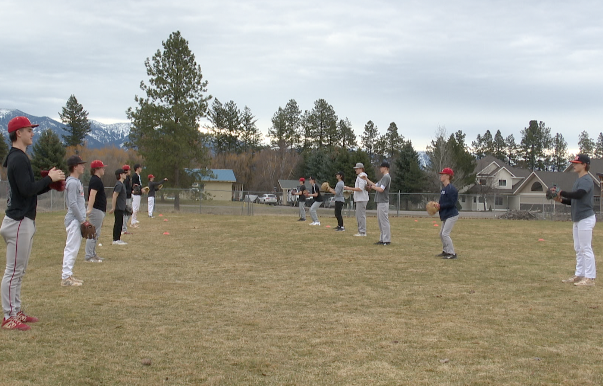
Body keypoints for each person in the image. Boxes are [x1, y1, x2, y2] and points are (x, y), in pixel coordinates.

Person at [1, 116, 65, 330]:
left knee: (19, 270)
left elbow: (28, 189)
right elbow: (27, 190)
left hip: (21, 219)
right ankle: (9, 315)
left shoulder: (18, 157)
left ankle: (15, 311)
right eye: (29, 130)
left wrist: (49, 182)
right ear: (18, 133)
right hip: (18, 220)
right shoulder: (18, 158)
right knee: (13, 271)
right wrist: (49, 179)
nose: (32, 133)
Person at [556, 154, 597, 286]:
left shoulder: (586, 180)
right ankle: (579, 275)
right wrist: (561, 199)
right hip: (578, 219)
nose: (574, 165)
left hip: (585, 218)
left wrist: (562, 192)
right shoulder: (579, 180)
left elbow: (579, 195)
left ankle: (590, 278)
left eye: (576, 163)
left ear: (584, 165)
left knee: (586, 248)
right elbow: (573, 200)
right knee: (578, 248)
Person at [61, 155, 88, 286]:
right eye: (81, 164)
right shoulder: (72, 182)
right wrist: (82, 220)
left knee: (74, 248)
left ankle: (69, 275)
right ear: (75, 166)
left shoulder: (76, 182)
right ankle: (66, 277)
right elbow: (72, 203)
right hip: (74, 220)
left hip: (77, 220)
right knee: (71, 248)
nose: (83, 166)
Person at [435, 168, 459, 259]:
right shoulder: (444, 189)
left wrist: (441, 206)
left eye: (443, 174)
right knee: (441, 234)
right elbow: (442, 202)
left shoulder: (451, 189)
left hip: (452, 214)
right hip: (446, 214)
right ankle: (446, 251)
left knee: (445, 234)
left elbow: (452, 203)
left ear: (448, 176)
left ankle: (452, 253)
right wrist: (437, 206)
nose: (441, 176)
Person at [85, 160, 107, 263]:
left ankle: (93, 254)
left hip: (100, 210)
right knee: (93, 233)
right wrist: (89, 209)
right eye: (102, 168)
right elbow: (92, 195)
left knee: (96, 233)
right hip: (96, 209)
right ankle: (89, 256)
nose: (104, 169)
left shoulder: (97, 180)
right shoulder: (95, 180)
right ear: (96, 169)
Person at [367, 161, 391, 245]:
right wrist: (366, 179)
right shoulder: (383, 178)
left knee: (384, 221)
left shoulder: (386, 177)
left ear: (385, 168)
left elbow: (381, 189)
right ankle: (382, 239)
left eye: (381, 167)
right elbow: (376, 185)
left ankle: (386, 240)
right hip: (380, 202)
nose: (380, 169)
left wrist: (372, 187)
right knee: (380, 221)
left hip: (383, 202)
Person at [344, 163, 369, 237]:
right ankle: (361, 231)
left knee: (360, 216)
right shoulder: (360, 176)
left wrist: (349, 188)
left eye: (357, 169)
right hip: (360, 199)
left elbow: (360, 188)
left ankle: (362, 232)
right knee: (359, 216)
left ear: (361, 169)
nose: (355, 170)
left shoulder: (361, 176)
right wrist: (351, 191)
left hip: (361, 199)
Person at [108, 169, 127, 245]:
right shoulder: (119, 184)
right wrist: (113, 207)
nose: (125, 174)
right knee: (118, 223)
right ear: (120, 175)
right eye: (124, 173)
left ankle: (118, 239)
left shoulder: (122, 184)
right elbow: (114, 195)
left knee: (120, 223)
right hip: (118, 207)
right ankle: (115, 240)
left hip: (121, 207)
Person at [130, 164, 142, 228]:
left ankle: (134, 220)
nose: (141, 169)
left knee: (137, 208)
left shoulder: (138, 176)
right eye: (140, 168)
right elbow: (134, 185)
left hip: (138, 193)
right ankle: (132, 223)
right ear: (137, 168)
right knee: (135, 208)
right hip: (136, 193)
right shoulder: (135, 176)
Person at [122, 165, 132, 234]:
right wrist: (131, 191)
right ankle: (124, 229)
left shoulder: (128, 178)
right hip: (126, 198)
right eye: (129, 170)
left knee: (129, 212)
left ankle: (123, 227)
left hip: (128, 197)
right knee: (126, 213)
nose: (130, 171)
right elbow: (125, 189)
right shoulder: (125, 179)